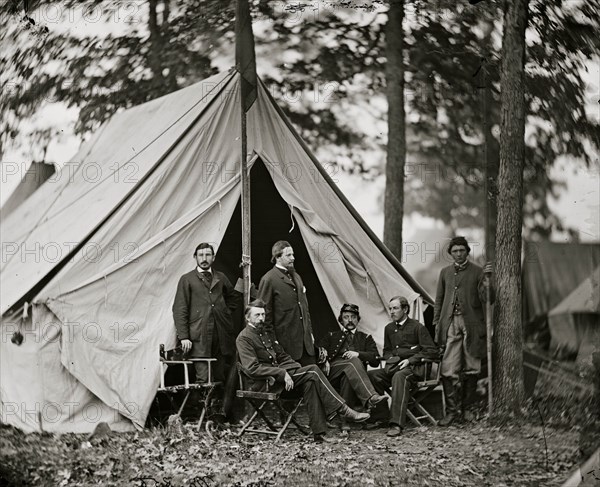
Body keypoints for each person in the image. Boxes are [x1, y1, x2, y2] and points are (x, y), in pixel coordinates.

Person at [236, 300, 370, 442]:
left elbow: (282, 356)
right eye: (257, 315)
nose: (261, 318)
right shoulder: (244, 338)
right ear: (247, 317)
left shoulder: (266, 333)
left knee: (310, 382)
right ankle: (344, 410)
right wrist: (282, 373)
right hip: (264, 384)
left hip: (279, 381)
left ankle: (319, 434)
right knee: (312, 371)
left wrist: (294, 369)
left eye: (263, 314)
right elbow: (252, 368)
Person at [433, 236, 493, 425]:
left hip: (472, 325)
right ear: (450, 253)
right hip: (450, 323)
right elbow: (439, 300)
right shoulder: (445, 272)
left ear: (467, 251)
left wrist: (488, 281)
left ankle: (468, 410)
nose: (458, 254)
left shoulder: (477, 271)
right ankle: (451, 412)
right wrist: (437, 323)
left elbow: (489, 298)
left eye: (462, 250)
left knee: (472, 367)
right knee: (448, 367)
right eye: (455, 251)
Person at [368, 296, 439, 437]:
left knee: (400, 377)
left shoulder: (418, 327)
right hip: (395, 367)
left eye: (395, 308)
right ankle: (381, 417)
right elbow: (387, 351)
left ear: (405, 309)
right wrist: (391, 359)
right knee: (373, 375)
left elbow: (431, 351)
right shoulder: (389, 328)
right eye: (390, 309)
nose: (392, 312)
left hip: (416, 369)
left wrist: (411, 359)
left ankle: (396, 424)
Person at [172, 242, 238, 383]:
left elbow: (233, 298)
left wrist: (224, 312)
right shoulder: (187, 279)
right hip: (199, 336)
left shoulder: (220, 278)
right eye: (201, 255)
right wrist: (184, 336)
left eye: (208, 255)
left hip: (220, 335)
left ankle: (216, 405)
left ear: (213, 258)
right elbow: (179, 309)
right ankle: (203, 405)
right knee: (203, 378)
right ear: (195, 257)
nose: (204, 258)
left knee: (219, 377)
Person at [257, 240, 324, 366]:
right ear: (277, 257)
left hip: (306, 347)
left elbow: (305, 310)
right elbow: (264, 317)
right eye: (288, 255)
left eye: (293, 254)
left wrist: (310, 334)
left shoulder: (297, 277)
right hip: (287, 348)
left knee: (312, 380)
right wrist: (274, 346)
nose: (293, 258)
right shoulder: (269, 279)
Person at [322, 303, 386, 430]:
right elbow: (319, 350)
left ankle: (344, 420)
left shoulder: (365, 338)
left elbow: (375, 360)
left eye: (353, 317)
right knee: (353, 362)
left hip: (352, 377)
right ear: (341, 320)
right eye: (346, 317)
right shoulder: (331, 336)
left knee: (348, 374)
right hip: (333, 372)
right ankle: (370, 397)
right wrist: (324, 359)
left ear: (358, 320)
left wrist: (358, 354)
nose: (350, 320)